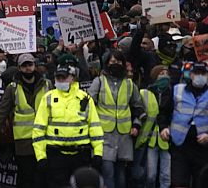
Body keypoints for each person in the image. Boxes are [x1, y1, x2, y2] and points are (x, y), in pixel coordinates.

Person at [0, 53, 51, 188]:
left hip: (45, 140)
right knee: (25, 179)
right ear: (19, 68)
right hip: (23, 144)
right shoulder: (12, 88)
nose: (28, 68)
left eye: (30, 65)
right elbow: (1, 114)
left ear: (35, 66)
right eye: (24, 66)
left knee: (42, 179)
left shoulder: (47, 85)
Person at [32, 64, 104, 188]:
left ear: (72, 78)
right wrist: (41, 157)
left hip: (81, 156)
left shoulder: (85, 98)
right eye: (58, 78)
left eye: (64, 78)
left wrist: (98, 153)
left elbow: (95, 127)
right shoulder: (48, 98)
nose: (60, 81)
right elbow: (38, 130)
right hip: (56, 157)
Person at [158, 62, 208, 188]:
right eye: (197, 73)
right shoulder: (176, 90)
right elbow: (163, 112)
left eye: (203, 73)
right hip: (180, 146)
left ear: (207, 75)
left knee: (201, 182)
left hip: (204, 148)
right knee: (178, 182)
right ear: (191, 75)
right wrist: (163, 128)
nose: (200, 76)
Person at [87, 50, 145, 188]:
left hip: (124, 136)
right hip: (104, 134)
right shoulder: (99, 82)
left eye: (119, 62)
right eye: (113, 62)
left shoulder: (130, 84)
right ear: (107, 64)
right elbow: (89, 105)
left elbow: (138, 108)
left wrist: (136, 126)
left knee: (120, 174)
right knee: (108, 171)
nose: (116, 64)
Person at [132, 66, 170, 188]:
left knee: (166, 176)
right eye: (161, 74)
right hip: (148, 141)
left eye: (166, 73)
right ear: (154, 77)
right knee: (150, 175)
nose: (164, 76)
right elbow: (139, 112)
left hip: (167, 140)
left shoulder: (173, 93)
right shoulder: (145, 93)